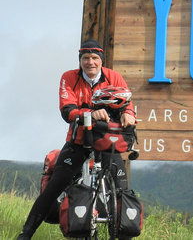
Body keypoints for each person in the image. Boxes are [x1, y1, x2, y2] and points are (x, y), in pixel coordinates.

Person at [17, 40, 136, 239]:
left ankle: (124, 234)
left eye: (95, 58)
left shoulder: (114, 77)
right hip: (79, 141)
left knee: (121, 192)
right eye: (86, 58)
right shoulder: (69, 77)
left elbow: (127, 102)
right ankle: (26, 233)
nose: (90, 62)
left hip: (107, 142)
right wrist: (88, 113)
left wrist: (129, 114)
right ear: (80, 60)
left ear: (101, 60)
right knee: (55, 186)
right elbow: (67, 109)